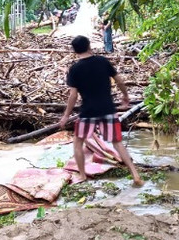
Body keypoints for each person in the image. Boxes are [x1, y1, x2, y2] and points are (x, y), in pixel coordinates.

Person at [59, 35, 143, 186]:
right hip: (108, 109)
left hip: (88, 112)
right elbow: (119, 80)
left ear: (75, 51)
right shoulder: (102, 61)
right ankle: (135, 174)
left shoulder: (75, 69)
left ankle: (83, 175)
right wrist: (125, 96)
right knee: (117, 143)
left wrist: (66, 116)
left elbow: (73, 95)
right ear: (89, 46)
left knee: (78, 143)